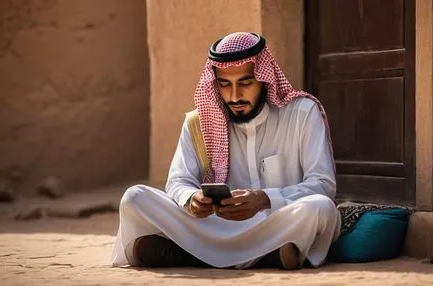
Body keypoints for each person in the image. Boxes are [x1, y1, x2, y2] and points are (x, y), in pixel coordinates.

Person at [111, 32, 341, 270]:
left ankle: (188, 255)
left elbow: (322, 184)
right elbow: (178, 181)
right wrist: (192, 199)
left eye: (245, 83)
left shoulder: (302, 114)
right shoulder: (199, 123)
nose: (234, 96)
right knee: (135, 197)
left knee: (320, 208)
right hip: (217, 224)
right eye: (224, 84)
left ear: (265, 79)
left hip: (277, 219)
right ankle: (271, 256)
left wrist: (264, 200)